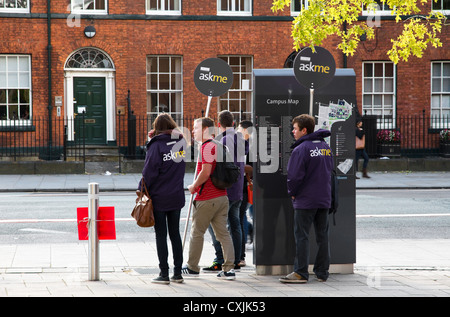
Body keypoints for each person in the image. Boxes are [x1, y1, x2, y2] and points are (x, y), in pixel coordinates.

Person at [280, 114, 333, 284]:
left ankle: (301, 272)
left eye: (295, 128)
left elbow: (294, 177)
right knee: (322, 235)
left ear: (304, 130)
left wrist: (292, 192)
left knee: (301, 236)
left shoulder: (300, 149)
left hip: (305, 199)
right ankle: (322, 272)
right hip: (324, 198)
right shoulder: (325, 146)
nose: (293, 132)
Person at [183, 117, 236, 280]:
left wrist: (194, 186)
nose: (193, 131)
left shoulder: (207, 147)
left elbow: (205, 172)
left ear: (206, 130)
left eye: (195, 128)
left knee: (197, 232)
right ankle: (229, 270)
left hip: (207, 198)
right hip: (222, 197)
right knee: (224, 234)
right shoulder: (219, 145)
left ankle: (192, 267)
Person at [141, 114, 186, 284]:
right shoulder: (180, 142)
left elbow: (149, 172)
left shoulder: (156, 145)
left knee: (161, 234)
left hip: (159, 197)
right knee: (175, 234)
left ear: (156, 127)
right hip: (176, 195)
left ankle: (164, 273)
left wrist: (141, 189)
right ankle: (178, 273)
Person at [202, 111, 247, 273]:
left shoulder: (223, 140)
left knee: (216, 225)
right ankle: (235, 259)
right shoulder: (240, 138)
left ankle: (220, 259)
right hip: (238, 188)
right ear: (233, 123)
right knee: (235, 224)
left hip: (226, 189)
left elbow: (219, 165)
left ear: (219, 124)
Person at [237, 120, 253, 267]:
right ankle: (238, 255)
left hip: (244, 188)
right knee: (239, 220)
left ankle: (240, 256)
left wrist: (239, 166)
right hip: (240, 187)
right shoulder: (241, 145)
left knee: (239, 220)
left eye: (239, 129)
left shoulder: (251, 146)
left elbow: (253, 168)